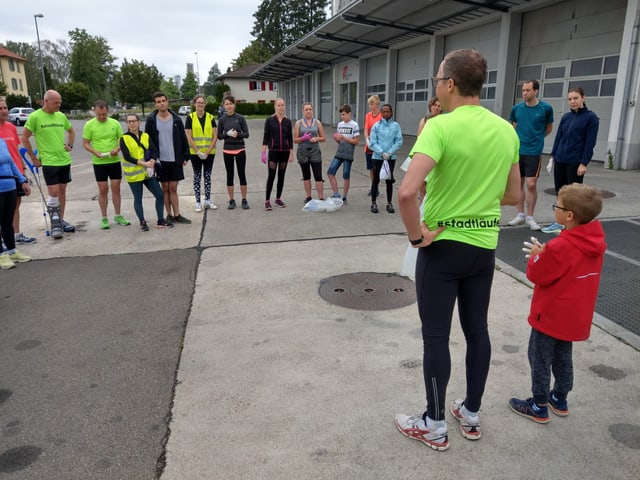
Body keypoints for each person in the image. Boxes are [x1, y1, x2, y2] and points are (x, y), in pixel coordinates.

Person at [396, 48, 520, 451]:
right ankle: (470, 412)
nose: (436, 85)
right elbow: (515, 194)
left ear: (450, 84)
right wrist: (478, 195)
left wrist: (417, 237)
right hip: (484, 247)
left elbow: (407, 191)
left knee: (435, 337)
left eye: (436, 79)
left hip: (443, 247)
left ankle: (433, 423)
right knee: (477, 331)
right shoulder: (506, 130)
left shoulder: (439, 126)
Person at [509, 183, 606, 423]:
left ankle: (539, 404)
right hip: (575, 315)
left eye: (557, 206)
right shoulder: (595, 243)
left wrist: (537, 256)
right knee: (563, 355)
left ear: (569, 215)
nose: (555, 210)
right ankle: (560, 397)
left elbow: (538, 275)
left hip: (550, 314)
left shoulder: (559, 246)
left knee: (539, 357)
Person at [542, 86, 599, 234]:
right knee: (560, 192)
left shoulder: (591, 118)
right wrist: (553, 156)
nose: (572, 102)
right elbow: (559, 137)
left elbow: (590, 142)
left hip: (575, 161)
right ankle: (560, 222)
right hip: (561, 158)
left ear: (583, 98)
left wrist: (584, 162)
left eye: (575, 98)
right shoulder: (566, 117)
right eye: (570, 99)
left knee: (574, 195)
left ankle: (572, 225)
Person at [22, 89, 76, 239]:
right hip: (49, 160)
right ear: (46, 102)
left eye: (60, 102)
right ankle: (55, 224)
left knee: (62, 191)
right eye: (56, 102)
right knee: (53, 192)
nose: (59, 105)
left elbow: (71, 131)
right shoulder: (35, 117)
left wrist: (70, 146)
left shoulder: (61, 116)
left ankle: (60, 219)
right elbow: (25, 138)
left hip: (64, 160)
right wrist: (33, 158)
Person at [507, 80, 554, 231]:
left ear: (536, 91)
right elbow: (513, 128)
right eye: (523, 90)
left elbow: (548, 128)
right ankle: (520, 214)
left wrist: (537, 139)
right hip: (518, 151)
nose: (525, 93)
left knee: (531, 183)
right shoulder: (517, 109)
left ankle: (531, 217)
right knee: (518, 183)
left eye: (528, 90)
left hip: (534, 151)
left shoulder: (546, 108)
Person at [144, 91, 191, 224]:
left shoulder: (176, 119)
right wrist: (151, 157)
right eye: (158, 102)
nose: (162, 103)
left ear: (167, 102)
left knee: (173, 187)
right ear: (155, 104)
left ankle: (177, 214)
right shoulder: (151, 120)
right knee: (165, 187)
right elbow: (148, 140)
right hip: (160, 160)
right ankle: (169, 215)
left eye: (163, 100)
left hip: (175, 158)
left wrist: (186, 156)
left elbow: (183, 138)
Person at [82, 100, 130, 229]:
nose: (102, 117)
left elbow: (122, 140)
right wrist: (94, 151)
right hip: (99, 162)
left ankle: (118, 215)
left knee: (116, 188)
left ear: (108, 111)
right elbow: (85, 143)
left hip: (113, 161)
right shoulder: (89, 125)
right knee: (103, 190)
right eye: (99, 115)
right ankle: (104, 217)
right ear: (95, 112)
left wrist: (117, 149)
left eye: (104, 114)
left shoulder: (115, 123)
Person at [120, 114, 172, 230]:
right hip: (134, 174)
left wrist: (153, 160)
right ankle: (142, 222)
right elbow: (127, 156)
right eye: (129, 122)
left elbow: (154, 150)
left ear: (139, 122)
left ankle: (160, 220)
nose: (132, 124)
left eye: (134, 121)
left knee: (159, 195)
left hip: (148, 173)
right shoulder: (124, 138)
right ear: (127, 124)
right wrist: (144, 164)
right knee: (138, 198)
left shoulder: (145, 136)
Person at [0, 98, 36, 244]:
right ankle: (4, 237)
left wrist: (24, 170)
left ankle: (16, 234)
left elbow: (15, 150)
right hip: (3, 174)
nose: (4, 111)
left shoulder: (11, 127)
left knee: (15, 203)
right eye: (0, 109)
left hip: (16, 171)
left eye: (5, 108)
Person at [0, 139, 32, 269]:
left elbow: (11, 163)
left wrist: (22, 179)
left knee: (7, 222)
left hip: (10, 186)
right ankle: (1, 255)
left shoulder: (2, 142)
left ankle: (12, 251)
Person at [185, 94, 218, 213]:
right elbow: (189, 136)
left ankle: (208, 200)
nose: (200, 104)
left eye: (202, 103)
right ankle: (198, 202)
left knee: (208, 176)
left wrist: (208, 151)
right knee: (197, 177)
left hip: (210, 153)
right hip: (195, 153)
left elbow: (215, 136)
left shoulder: (210, 117)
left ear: (205, 104)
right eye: (198, 102)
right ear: (194, 104)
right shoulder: (190, 118)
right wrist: (198, 151)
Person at [217, 95, 250, 210]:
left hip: (240, 149)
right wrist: (227, 134)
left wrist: (238, 134)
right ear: (224, 106)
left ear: (234, 105)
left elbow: (246, 134)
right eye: (227, 104)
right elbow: (219, 136)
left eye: (231, 104)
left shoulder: (240, 118)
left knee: (242, 174)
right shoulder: (222, 119)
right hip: (227, 150)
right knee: (229, 175)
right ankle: (231, 200)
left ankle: (244, 199)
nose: (229, 106)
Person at [369, 104, 402, 214]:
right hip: (377, 157)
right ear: (381, 113)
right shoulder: (376, 126)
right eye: (383, 112)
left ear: (391, 113)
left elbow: (398, 141)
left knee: (389, 180)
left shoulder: (395, 126)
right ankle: (373, 202)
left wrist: (389, 153)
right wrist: (381, 152)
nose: (386, 114)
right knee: (376, 180)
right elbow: (372, 142)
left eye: (388, 111)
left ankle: (389, 203)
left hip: (390, 157)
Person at [262, 98, 293, 211]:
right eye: (279, 105)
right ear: (275, 106)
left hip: (284, 152)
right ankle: (267, 200)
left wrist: (291, 153)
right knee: (271, 176)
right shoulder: (270, 120)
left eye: (282, 105)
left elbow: (290, 138)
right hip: (273, 152)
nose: (281, 107)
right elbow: (266, 136)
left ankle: (278, 199)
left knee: (281, 176)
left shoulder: (287, 121)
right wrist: (263, 152)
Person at [327, 104, 360, 203]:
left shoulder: (354, 125)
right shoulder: (340, 125)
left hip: (348, 153)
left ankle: (344, 196)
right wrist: (337, 139)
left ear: (349, 113)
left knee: (346, 174)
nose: (342, 117)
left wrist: (344, 138)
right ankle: (336, 193)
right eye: (341, 115)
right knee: (330, 172)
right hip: (339, 152)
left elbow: (356, 141)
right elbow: (339, 140)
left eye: (344, 114)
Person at [294, 102, 326, 204]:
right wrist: (303, 138)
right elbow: (295, 140)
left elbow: (323, 137)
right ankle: (309, 196)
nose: (308, 111)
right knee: (306, 175)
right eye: (306, 109)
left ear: (312, 110)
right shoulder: (298, 123)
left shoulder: (317, 123)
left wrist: (317, 138)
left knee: (318, 175)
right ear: (303, 111)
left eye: (310, 109)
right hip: (303, 151)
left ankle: (321, 197)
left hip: (315, 150)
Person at [363, 95, 382, 197]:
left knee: (377, 168)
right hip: (369, 145)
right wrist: (367, 140)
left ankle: (377, 187)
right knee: (371, 168)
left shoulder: (381, 116)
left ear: (377, 104)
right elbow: (366, 128)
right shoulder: (368, 115)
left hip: (378, 145)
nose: (370, 106)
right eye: (369, 104)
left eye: (372, 104)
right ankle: (373, 187)